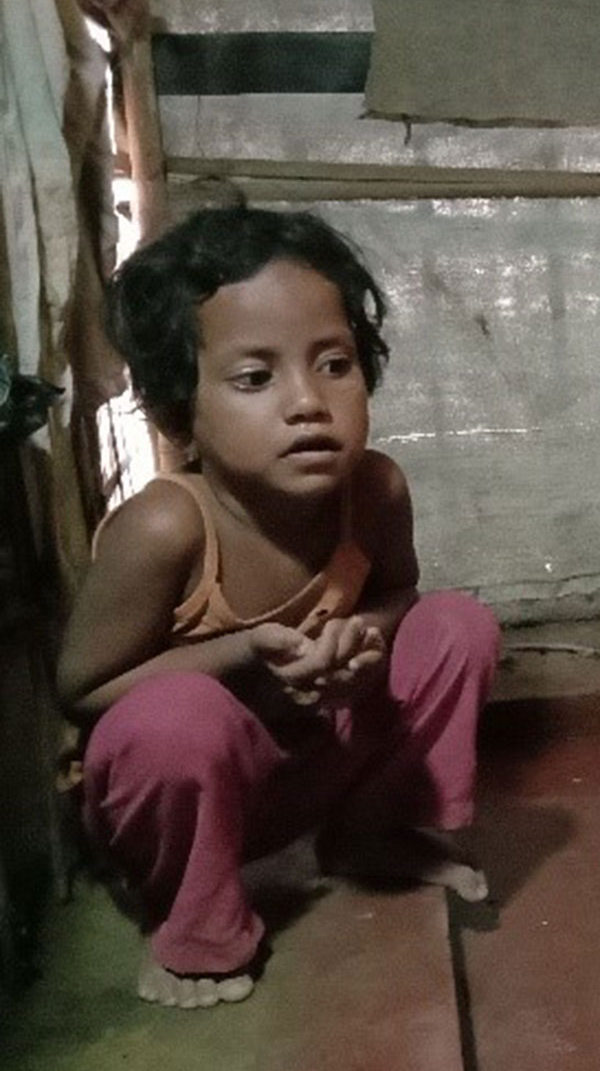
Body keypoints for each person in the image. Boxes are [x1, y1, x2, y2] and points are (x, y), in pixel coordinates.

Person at [57, 207, 500, 1009]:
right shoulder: (164, 527)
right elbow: (83, 689)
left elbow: (398, 596)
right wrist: (242, 651)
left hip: (306, 771)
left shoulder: (374, 490)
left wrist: (360, 638)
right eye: (255, 378)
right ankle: (192, 921)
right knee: (179, 717)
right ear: (174, 417)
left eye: (333, 364)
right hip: (188, 798)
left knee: (454, 627)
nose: (308, 402)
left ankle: (368, 833)